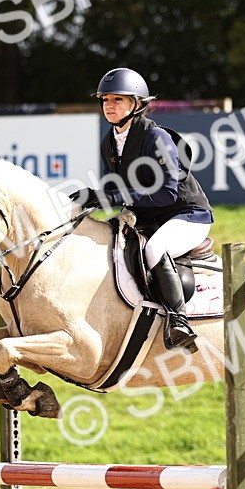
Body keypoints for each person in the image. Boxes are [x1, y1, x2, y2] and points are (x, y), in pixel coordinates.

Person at [70, 67, 213, 352]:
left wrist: (109, 196)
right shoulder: (109, 142)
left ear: (138, 103)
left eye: (118, 100)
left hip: (185, 215)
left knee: (154, 249)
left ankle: (178, 321)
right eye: (105, 100)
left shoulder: (156, 138)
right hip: (149, 218)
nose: (109, 106)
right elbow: (117, 192)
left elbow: (166, 193)